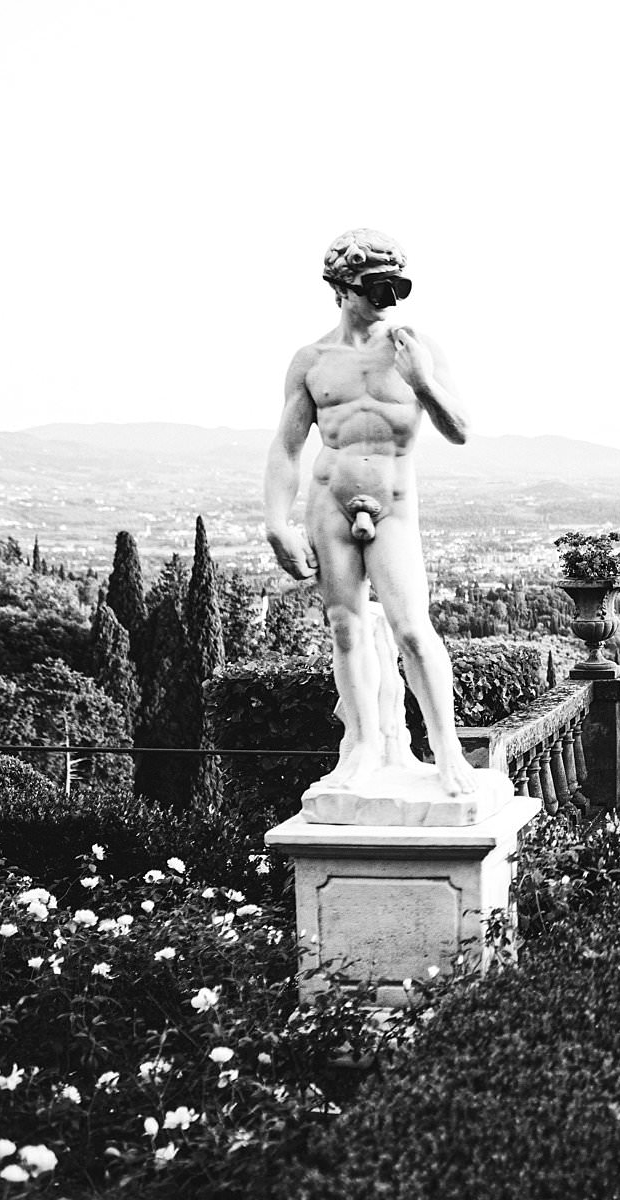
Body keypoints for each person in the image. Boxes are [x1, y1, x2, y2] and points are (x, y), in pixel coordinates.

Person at [264, 229, 477, 797]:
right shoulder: (312, 361)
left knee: (413, 629)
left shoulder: (416, 349)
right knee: (345, 626)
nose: (390, 297)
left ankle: (448, 751)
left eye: (397, 285)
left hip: (394, 507)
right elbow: (287, 447)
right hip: (329, 502)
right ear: (341, 287)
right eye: (376, 286)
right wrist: (276, 523)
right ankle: (363, 748)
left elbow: (460, 430)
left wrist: (422, 382)